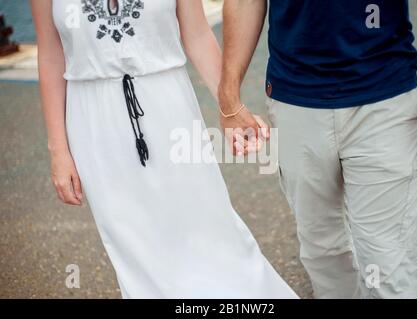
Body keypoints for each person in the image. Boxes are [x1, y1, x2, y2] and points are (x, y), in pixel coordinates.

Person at [30, 0, 298, 299]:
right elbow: (51, 55)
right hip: (93, 123)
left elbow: (196, 34)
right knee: (136, 248)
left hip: (169, 106)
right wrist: (59, 151)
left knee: (210, 228)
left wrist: (231, 107)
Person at [219, 0, 417, 298]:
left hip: (383, 94)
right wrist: (228, 97)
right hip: (295, 99)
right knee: (324, 256)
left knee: (390, 267)